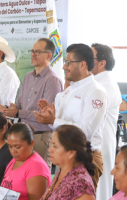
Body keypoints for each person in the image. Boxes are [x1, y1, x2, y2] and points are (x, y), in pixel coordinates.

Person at [34, 43, 107, 189]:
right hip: (67, 156)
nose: (63, 67)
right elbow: (59, 126)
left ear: (82, 65)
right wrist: (50, 118)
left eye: (68, 62)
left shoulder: (95, 92)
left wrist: (54, 120)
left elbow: (86, 132)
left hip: (86, 157)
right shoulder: (68, 91)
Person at [0, 38, 63, 169]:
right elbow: (19, 105)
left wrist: (18, 112)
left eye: (37, 52)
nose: (33, 54)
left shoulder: (52, 80)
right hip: (23, 136)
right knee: (22, 176)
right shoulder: (28, 76)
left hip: (41, 137)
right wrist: (5, 108)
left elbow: (44, 117)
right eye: (32, 51)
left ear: (49, 55)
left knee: (39, 176)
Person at [91, 43, 121, 200]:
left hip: (101, 143)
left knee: (99, 188)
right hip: (94, 142)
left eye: (91, 57)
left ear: (102, 63)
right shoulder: (95, 82)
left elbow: (91, 115)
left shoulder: (105, 84)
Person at [40, 125, 96, 200]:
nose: (50, 149)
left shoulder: (82, 184)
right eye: (51, 144)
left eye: (55, 146)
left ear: (71, 153)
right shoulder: (62, 172)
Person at [1, 123, 51, 200]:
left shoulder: (37, 167)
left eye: (18, 147)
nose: (13, 151)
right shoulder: (15, 160)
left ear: (31, 143)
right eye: (10, 147)